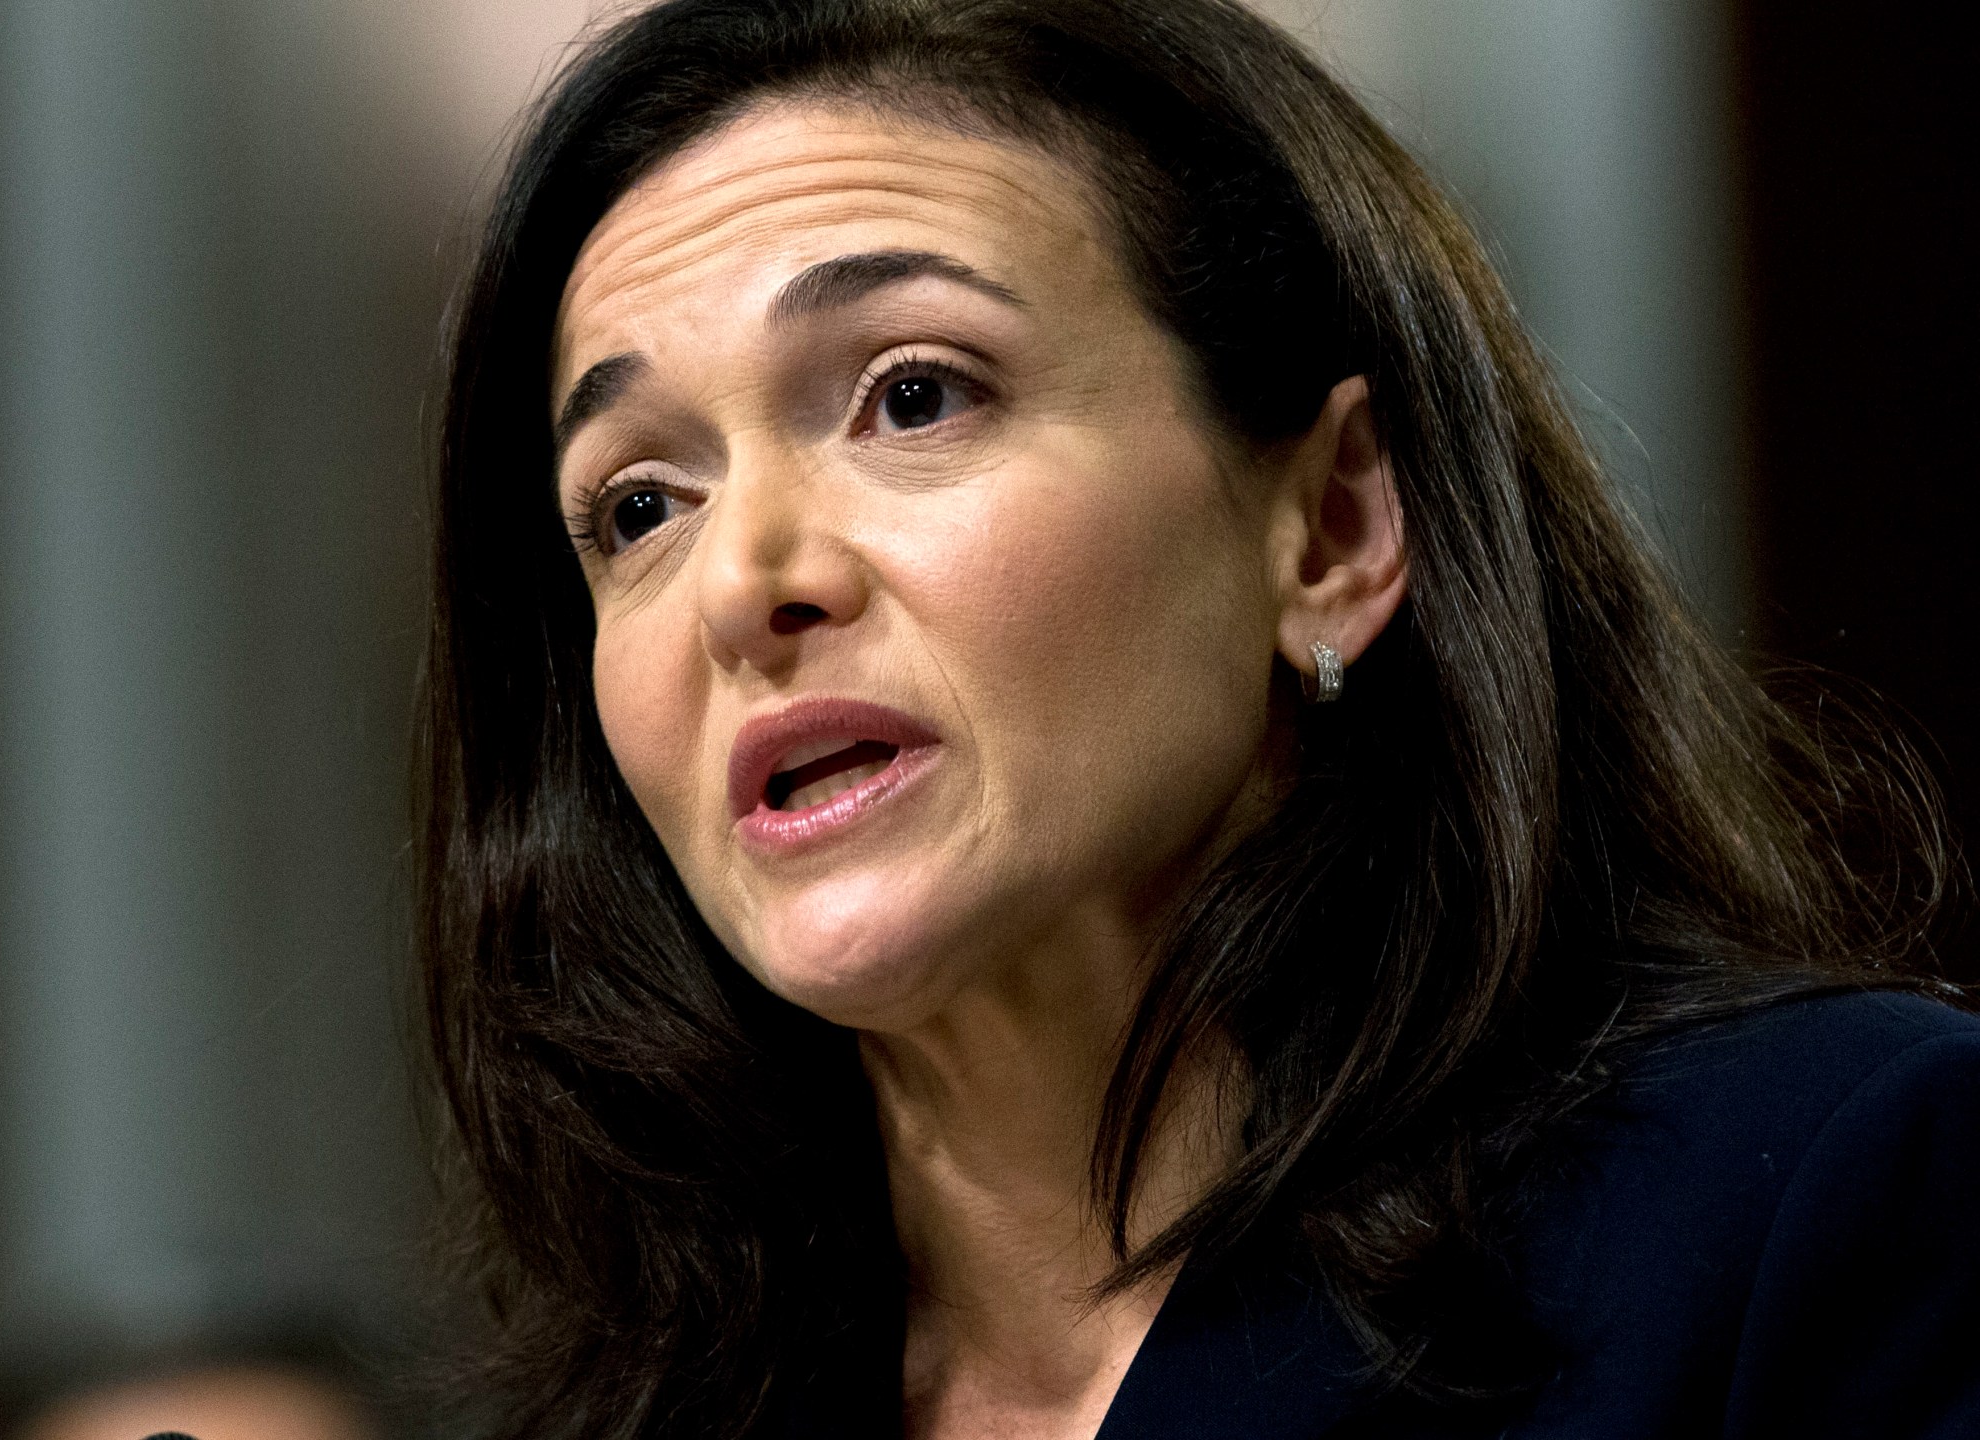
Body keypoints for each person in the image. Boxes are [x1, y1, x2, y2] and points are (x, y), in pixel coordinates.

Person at [412, 2, 1978, 1436]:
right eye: (636, 506)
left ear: (1332, 530)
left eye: (914, 395)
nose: (746, 584)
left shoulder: (1824, 1202)